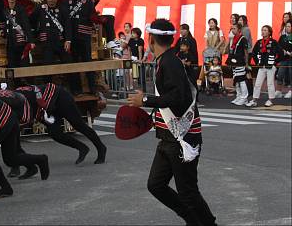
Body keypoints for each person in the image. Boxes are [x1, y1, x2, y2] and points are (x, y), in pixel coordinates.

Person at [127, 19, 216, 226]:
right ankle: (193, 220)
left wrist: (146, 100)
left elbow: (177, 97)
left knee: (188, 191)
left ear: (151, 39)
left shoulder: (170, 62)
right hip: (169, 137)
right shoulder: (166, 60)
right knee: (156, 185)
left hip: (182, 138)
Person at [16, 82, 107, 164]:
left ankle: (101, 148)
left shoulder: (18, 100)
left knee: (78, 124)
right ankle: (82, 148)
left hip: (59, 96)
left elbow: (26, 120)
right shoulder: (15, 97)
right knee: (55, 133)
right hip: (47, 106)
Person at [64, 0, 97, 93]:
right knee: (73, 64)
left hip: (84, 36)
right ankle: (76, 89)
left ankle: (92, 87)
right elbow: (66, 20)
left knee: (88, 61)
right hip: (72, 37)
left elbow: (92, 16)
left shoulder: (87, 1)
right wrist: (67, 38)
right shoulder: (66, 2)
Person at [30, 0, 70, 65]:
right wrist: (34, 34)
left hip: (60, 41)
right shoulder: (40, 8)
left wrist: (68, 40)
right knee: (47, 64)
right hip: (46, 41)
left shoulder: (62, 8)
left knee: (68, 62)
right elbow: (31, 21)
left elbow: (67, 25)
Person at [246, 25, 281, 107]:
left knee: (270, 83)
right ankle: (254, 100)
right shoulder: (259, 42)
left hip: (270, 67)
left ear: (269, 32)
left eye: (265, 30)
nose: (263, 32)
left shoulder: (274, 42)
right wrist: (257, 62)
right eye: (262, 30)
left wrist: (275, 63)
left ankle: (270, 100)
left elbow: (281, 53)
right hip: (262, 66)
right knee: (257, 83)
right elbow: (253, 53)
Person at [2, 0, 34, 68]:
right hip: (10, 42)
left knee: (24, 64)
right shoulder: (5, 10)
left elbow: (26, 25)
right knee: (12, 65)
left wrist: (31, 41)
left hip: (20, 41)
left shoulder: (21, 9)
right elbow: (4, 25)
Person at [227, 23, 250, 106]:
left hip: (240, 62)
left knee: (241, 80)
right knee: (236, 80)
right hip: (234, 62)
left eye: (234, 28)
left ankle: (244, 98)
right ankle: (239, 96)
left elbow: (246, 52)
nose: (232, 30)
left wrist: (246, 63)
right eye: (232, 28)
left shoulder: (243, 39)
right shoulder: (233, 39)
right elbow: (231, 51)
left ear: (239, 30)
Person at [277, 21, 292, 97]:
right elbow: (278, 46)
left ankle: (290, 91)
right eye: (286, 26)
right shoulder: (282, 37)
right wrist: (282, 51)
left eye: (289, 26)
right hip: (283, 59)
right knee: (280, 74)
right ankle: (278, 91)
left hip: (291, 59)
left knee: (291, 75)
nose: (287, 28)